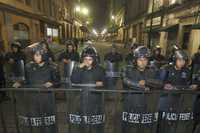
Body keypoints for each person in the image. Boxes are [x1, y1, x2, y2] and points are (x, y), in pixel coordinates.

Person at [12, 42, 60, 133]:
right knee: (35, 121)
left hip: (47, 99)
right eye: (34, 55)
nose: (36, 57)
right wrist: (20, 83)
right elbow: (27, 81)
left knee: (48, 121)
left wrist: (52, 83)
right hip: (33, 99)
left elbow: (58, 82)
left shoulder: (52, 67)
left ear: (44, 55)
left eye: (38, 55)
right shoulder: (29, 67)